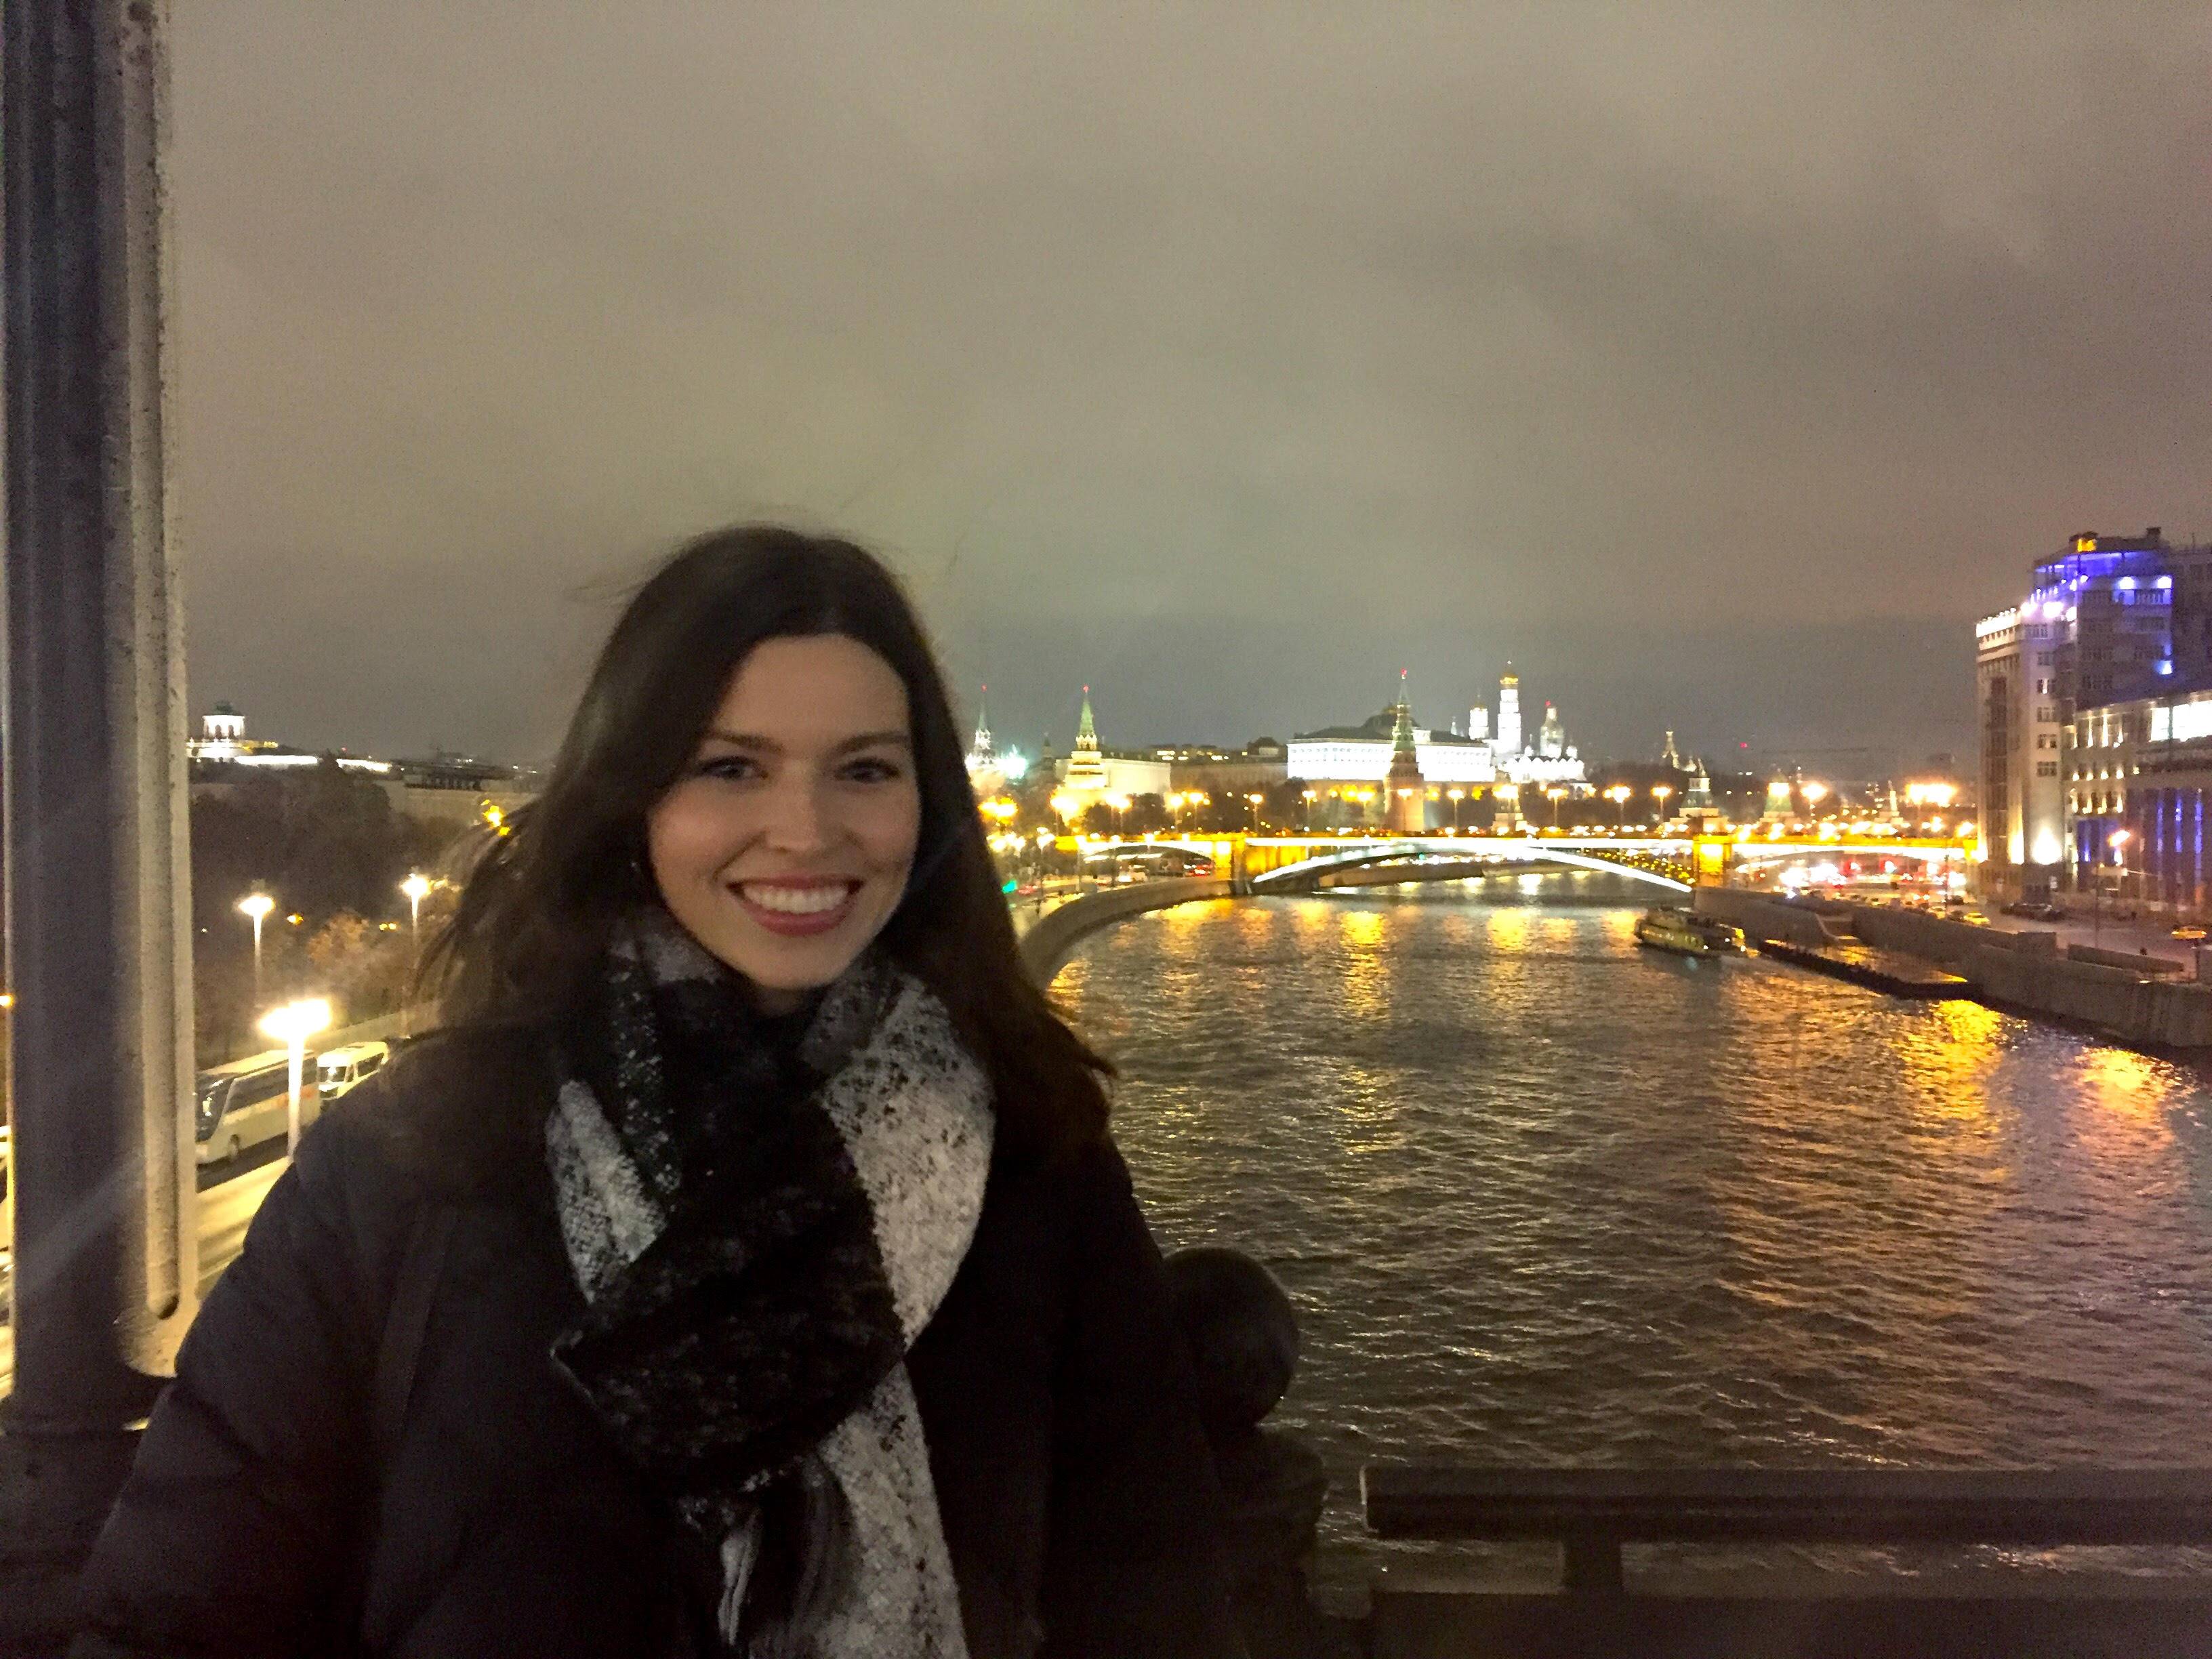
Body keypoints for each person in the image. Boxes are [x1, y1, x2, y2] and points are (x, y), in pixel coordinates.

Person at [74, 526, 1246, 1658]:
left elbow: (1150, 1592)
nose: (805, 830)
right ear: (634, 798)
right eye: (730, 768)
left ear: (925, 808)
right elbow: (186, 1612)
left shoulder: (1042, 1164)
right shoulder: (404, 1163)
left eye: (865, 770)